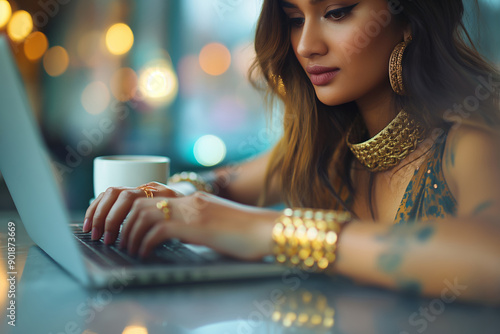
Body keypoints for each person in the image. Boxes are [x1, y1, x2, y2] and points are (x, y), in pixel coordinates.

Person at [83, 0, 500, 304]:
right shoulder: (330, 144)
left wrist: (270, 230)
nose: (305, 45)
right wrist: (173, 195)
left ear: (408, 18)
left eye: (337, 12)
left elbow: (490, 257)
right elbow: (224, 182)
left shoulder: (472, 140)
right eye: (294, 19)